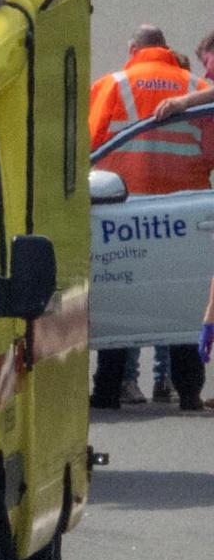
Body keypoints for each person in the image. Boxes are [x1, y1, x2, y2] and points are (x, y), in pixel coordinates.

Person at [88, 26, 214, 412]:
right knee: (183, 305)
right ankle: (189, 392)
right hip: (183, 211)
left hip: (124, 209)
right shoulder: (195, 85)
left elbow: (89, 144)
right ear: (166, 48)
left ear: (133, 49)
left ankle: (109, 389)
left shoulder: (114, 84)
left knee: (121, 299)